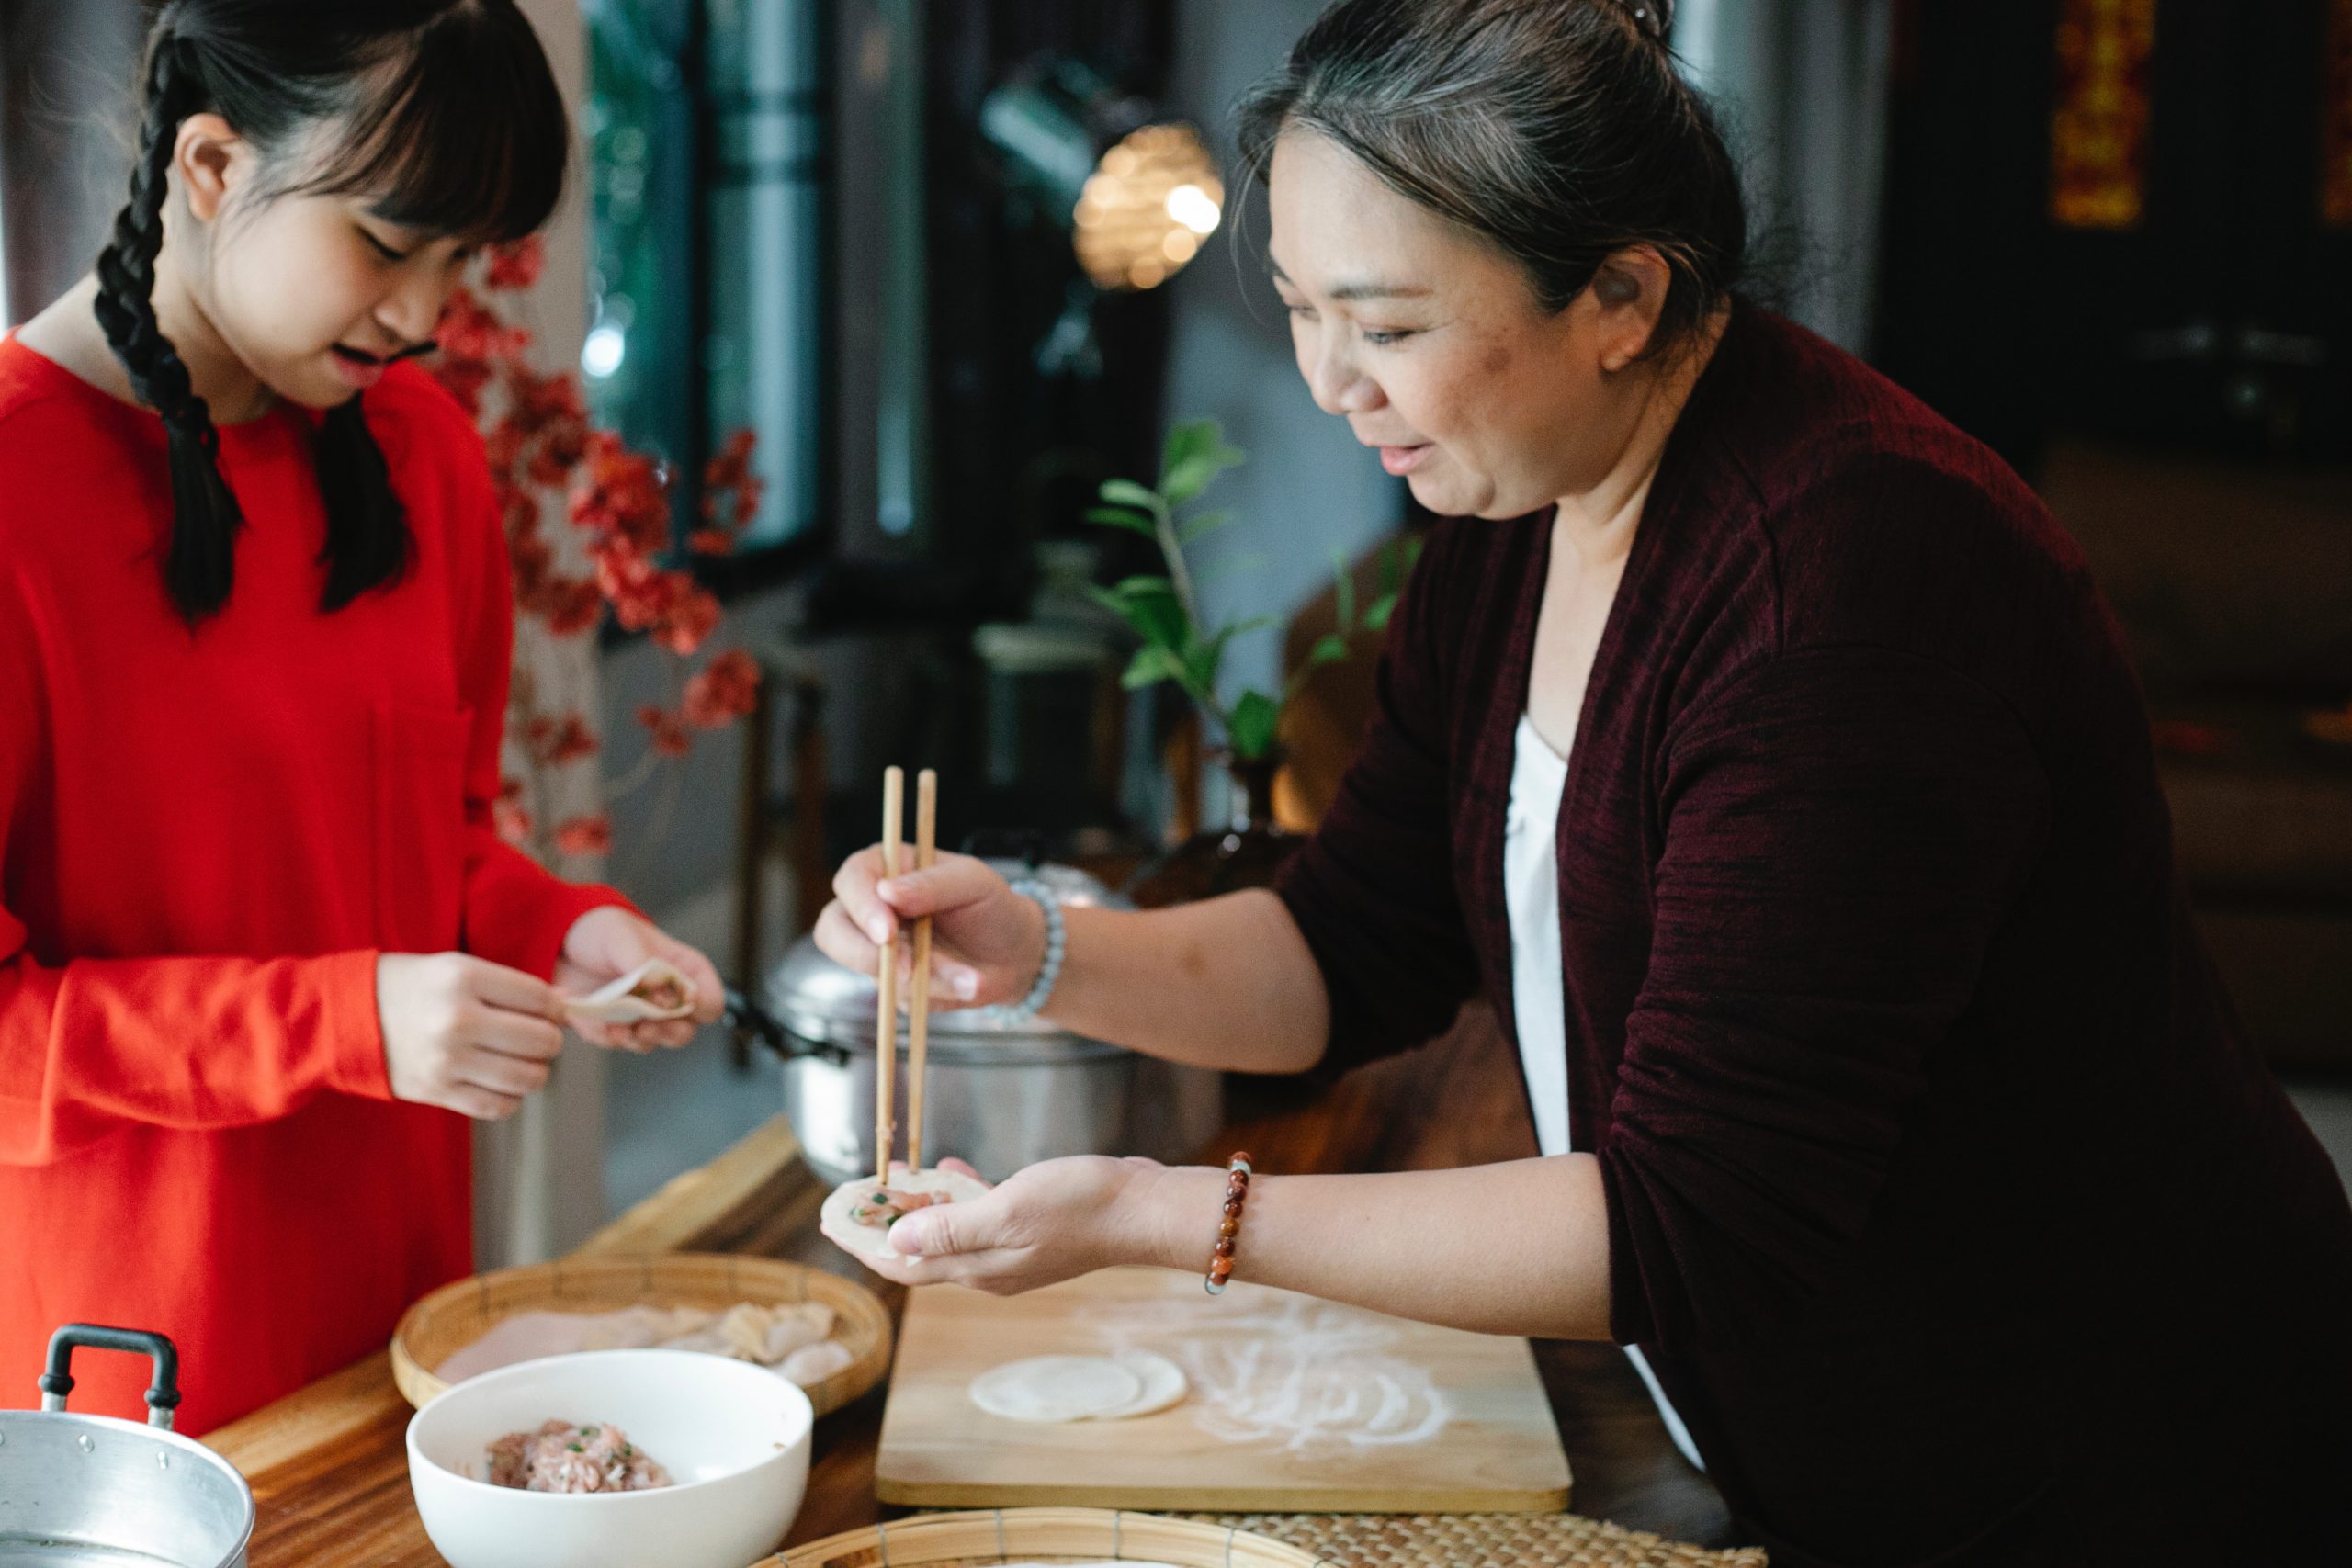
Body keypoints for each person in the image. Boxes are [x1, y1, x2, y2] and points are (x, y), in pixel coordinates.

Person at [818, 1, 2352, 1562]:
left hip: (2112, 1465)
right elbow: (1352, 948)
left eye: (1390, 324)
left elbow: (1696, 1223)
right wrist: (1036, 949)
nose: (1332, 381)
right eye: (1299, 305)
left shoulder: (1851, 587)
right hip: (1812, 1424)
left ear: (1622, 293)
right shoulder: (1511, 514)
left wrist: (1154, 1216)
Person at [0, 0, 721, 1435]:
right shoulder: (19, 487)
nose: (422, 317)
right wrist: (342, 1022)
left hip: (410, 1339)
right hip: (125, 1393)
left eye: (462, 260)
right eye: (388, 245)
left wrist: (558, 929)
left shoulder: (421, 457)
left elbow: (427, 848)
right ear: (210, 166)